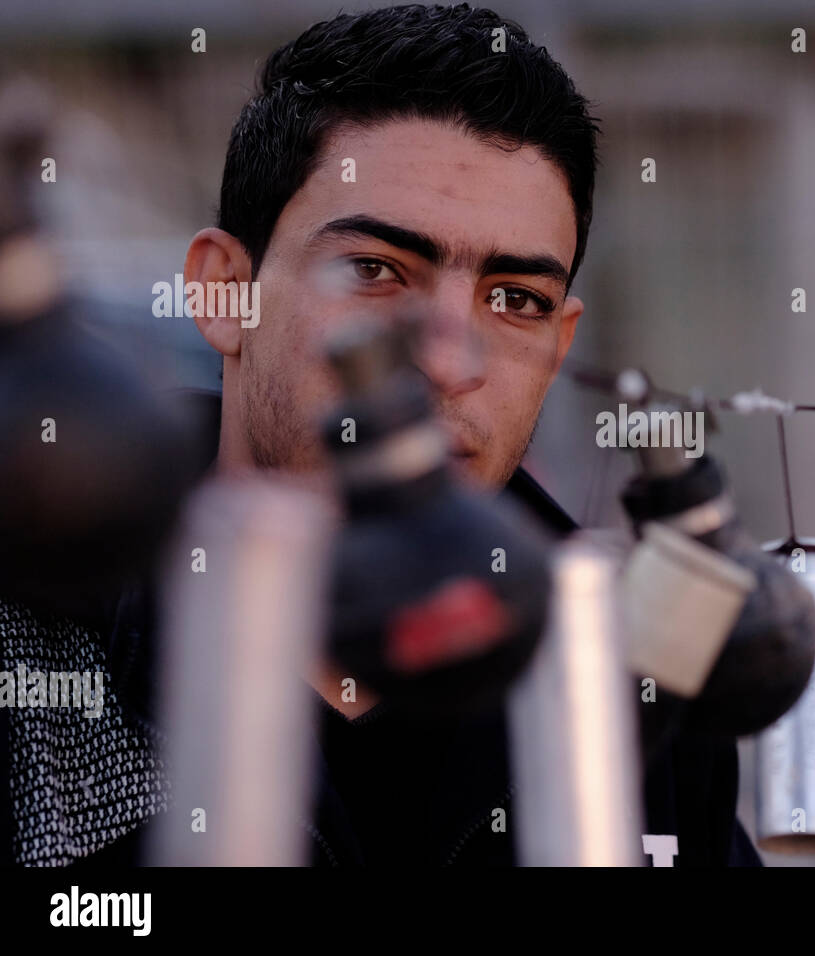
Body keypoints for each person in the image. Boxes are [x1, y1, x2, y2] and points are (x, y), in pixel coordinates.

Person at [1, 3, 760, 866]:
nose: (445, 360)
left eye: (514, 299)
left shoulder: (632, 681)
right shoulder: (36, 632)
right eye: (375, 270)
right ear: (222, 293)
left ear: (560, 345)